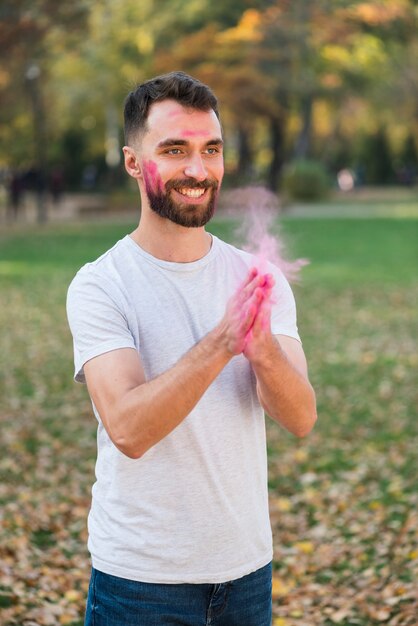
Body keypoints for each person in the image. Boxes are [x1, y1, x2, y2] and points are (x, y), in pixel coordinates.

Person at [66, 71, 317, 626]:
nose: (198, 171)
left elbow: (300, 418)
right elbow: (129, 430)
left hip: (246, 577)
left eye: (211, 150)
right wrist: (222, 342)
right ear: (133, 162)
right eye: (174, 150)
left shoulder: (258, 277)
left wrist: (263, 350)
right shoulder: (101, 285)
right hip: (140, 585)